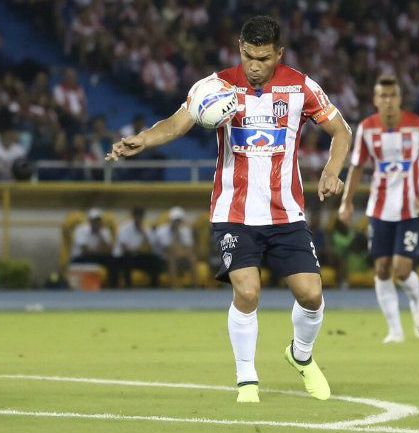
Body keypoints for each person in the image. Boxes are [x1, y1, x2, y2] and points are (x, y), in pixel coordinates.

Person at [107, 16, 351, 403]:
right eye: (248, 56)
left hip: (285, 212)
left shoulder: (301, 87)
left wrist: (332, 170)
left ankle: (301, 356)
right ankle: (247, 379)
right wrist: (143, 139)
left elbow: (342, 131)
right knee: (248, 291)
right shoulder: (215, 87)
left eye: (264, 58)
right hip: (233, 211)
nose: (255, 66)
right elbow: (175, 123)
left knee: (310, 294)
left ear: (279, 54)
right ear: (240, 48)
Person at [338, 74, 419, 344]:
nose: (388, 101)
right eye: (382, 96)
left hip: (409, 209)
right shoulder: (367, 129)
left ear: (400, 98)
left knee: (402, 270)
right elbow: (357, 167)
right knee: (382, 269)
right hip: (380, 209)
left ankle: (417, 301)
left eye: (392, 95)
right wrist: (346, 202)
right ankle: (395, 331)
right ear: (375, 100)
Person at [113, 207, 162, 287]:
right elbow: (125, 248)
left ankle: (154, 286)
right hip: (124, 256)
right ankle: (128, 286)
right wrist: (139, 250)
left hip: (138, 255)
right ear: (133, 216)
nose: (138, 218)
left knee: (155, 260)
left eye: (140, 216)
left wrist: (143, 234)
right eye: (137, 216)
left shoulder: (146, 229)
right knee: (127, 258)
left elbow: (149, 248)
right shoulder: (124, 228)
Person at [70, 207, 118, 287]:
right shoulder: (81, 230)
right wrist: (100, 250)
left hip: (97, 256)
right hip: (81, 257)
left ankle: (113, 286)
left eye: (98, 220)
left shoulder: (105, 232)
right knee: (88, 259)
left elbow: (109, 250)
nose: (96, 223)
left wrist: (100, 236)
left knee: (113, 261)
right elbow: (84, 251)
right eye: (94, 220)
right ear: (90, 221)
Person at [154, 206, 198, 288]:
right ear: (170, 220)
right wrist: (176, 234)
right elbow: (168, 249)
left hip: (181, 255)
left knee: (192, 258)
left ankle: (195, 285)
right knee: (172, 257)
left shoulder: (186, 231)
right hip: (164, 257)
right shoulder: (162, 231)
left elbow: (190, 248)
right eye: (175, 221)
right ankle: (174, 285)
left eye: (179, 221)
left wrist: (182, 253)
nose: (177, 223)